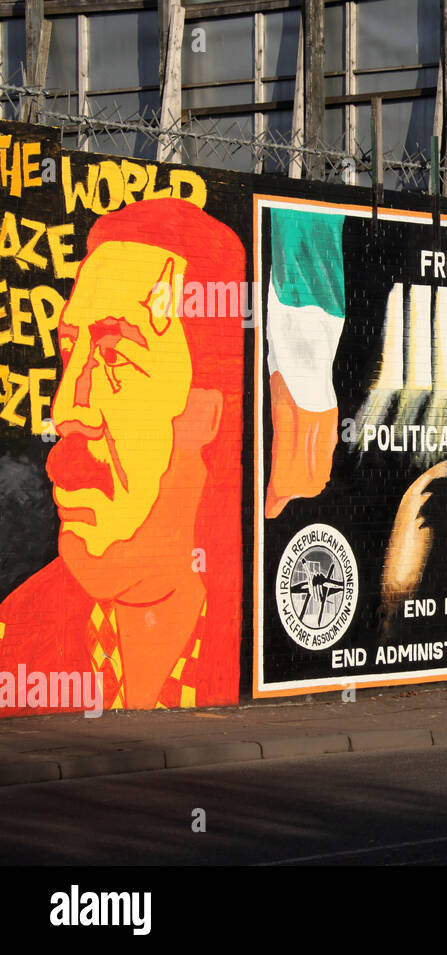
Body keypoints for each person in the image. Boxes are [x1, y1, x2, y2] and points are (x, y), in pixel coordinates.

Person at [0, 199, 244, 714]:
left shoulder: (252, 623)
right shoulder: (15, 635)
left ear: (204, 412)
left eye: (113, 355)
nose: (66, 408)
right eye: (70, 352)